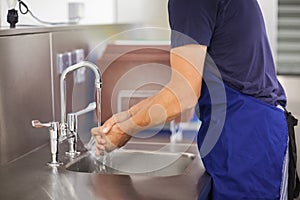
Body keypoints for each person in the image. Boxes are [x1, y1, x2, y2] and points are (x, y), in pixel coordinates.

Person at [91, 0, 297, 199]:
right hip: (248, 131)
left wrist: (126, 128)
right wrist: (124, 119)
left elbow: (182, 95)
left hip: (248, 141)